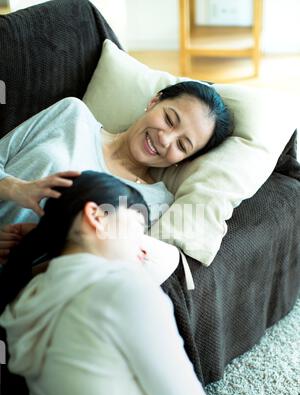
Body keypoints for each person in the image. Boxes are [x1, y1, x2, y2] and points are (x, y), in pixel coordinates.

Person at [0, 171, 282, 395]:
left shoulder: (27, 302)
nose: (145, 250)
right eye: (137, 228)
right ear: (97, 217)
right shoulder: (122, 290)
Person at [0, 80, 234, 263]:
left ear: (183, 161)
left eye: (182, 145)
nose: (165, 139)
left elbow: (101, 267)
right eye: (169, 119)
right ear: (154, 102)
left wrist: (38, 244)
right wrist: (17, 189)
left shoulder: (153, 202)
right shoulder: (72, 114)